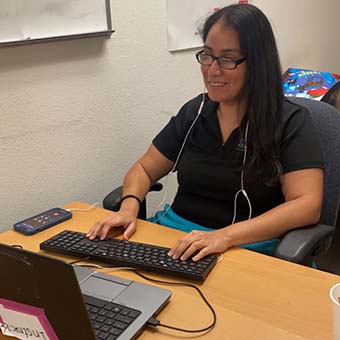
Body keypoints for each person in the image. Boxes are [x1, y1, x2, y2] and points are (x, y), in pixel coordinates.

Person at [87, 4, 323, 262]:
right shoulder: (195, 112)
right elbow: (144, 169)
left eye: (227, 59)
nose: (212, 70)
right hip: (176, 240)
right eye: (208, 55)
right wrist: (129, 206)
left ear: (257, 63)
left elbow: (307, 204)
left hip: (246, 247)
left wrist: (226, 236)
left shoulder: (290, 121)